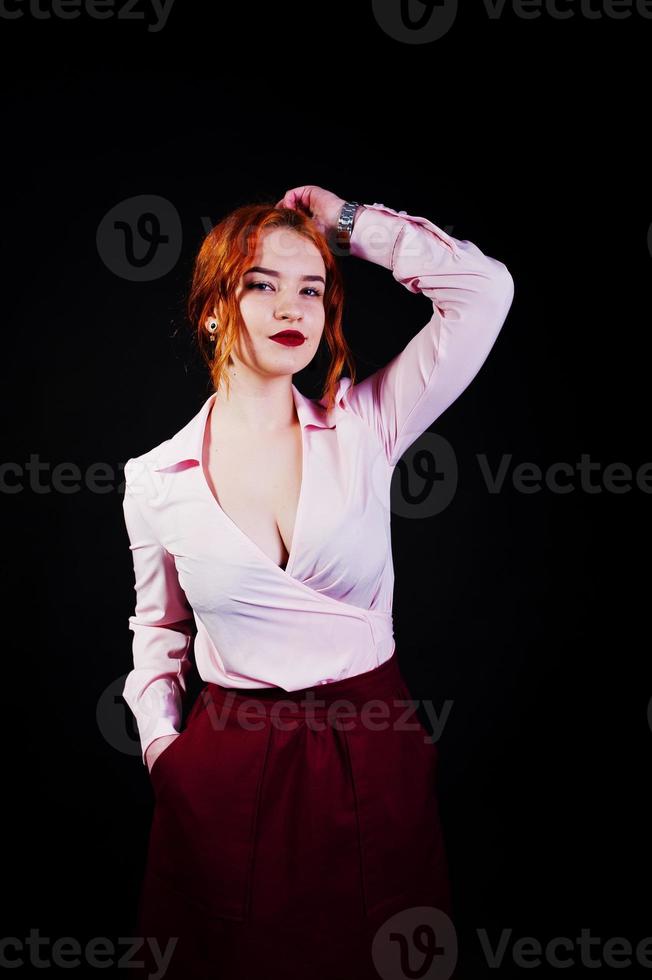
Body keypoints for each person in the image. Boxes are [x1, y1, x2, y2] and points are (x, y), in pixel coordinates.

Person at [121, 185, 514, 979]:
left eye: (312, 287)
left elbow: (484, 291)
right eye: (261, 283)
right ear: (211, 308)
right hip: (227, 769)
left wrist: (347, 224)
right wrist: (167, 753)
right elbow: (157, 637)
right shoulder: (154, 477)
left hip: (373, 751)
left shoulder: (366, 425)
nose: (289, 305)